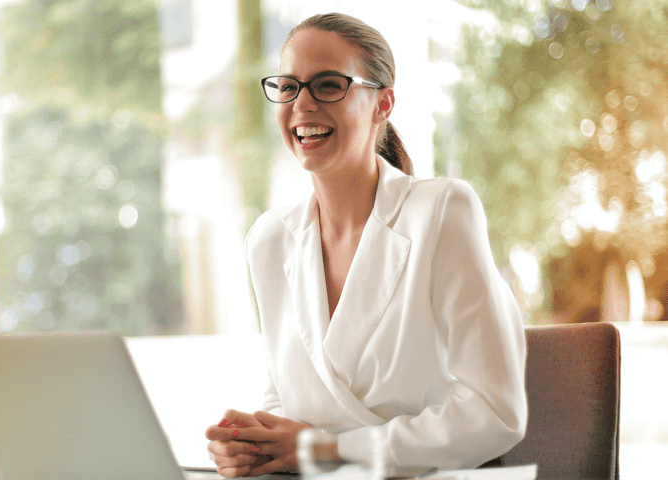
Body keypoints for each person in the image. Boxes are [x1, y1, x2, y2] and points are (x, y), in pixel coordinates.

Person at [204, 12, 527, 478]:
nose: (302, 104)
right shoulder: (270, 240)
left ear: (383, 103)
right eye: (289, 86)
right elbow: (288, 392)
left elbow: (495, 413)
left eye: (328, 85)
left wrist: (330, 448)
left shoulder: (440, 212)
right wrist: (253, 443)